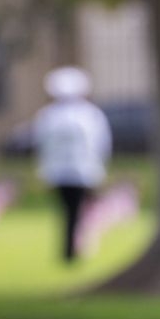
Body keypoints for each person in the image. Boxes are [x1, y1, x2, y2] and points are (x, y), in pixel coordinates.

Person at [33, 66, 112, 263]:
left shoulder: (49, 116)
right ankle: (74, 247)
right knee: (76, 211)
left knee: (70, 212)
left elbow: (41, 145)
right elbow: (102, 143)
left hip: (61, 173)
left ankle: (70, 248)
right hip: (82, 172)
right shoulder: (90, 115)